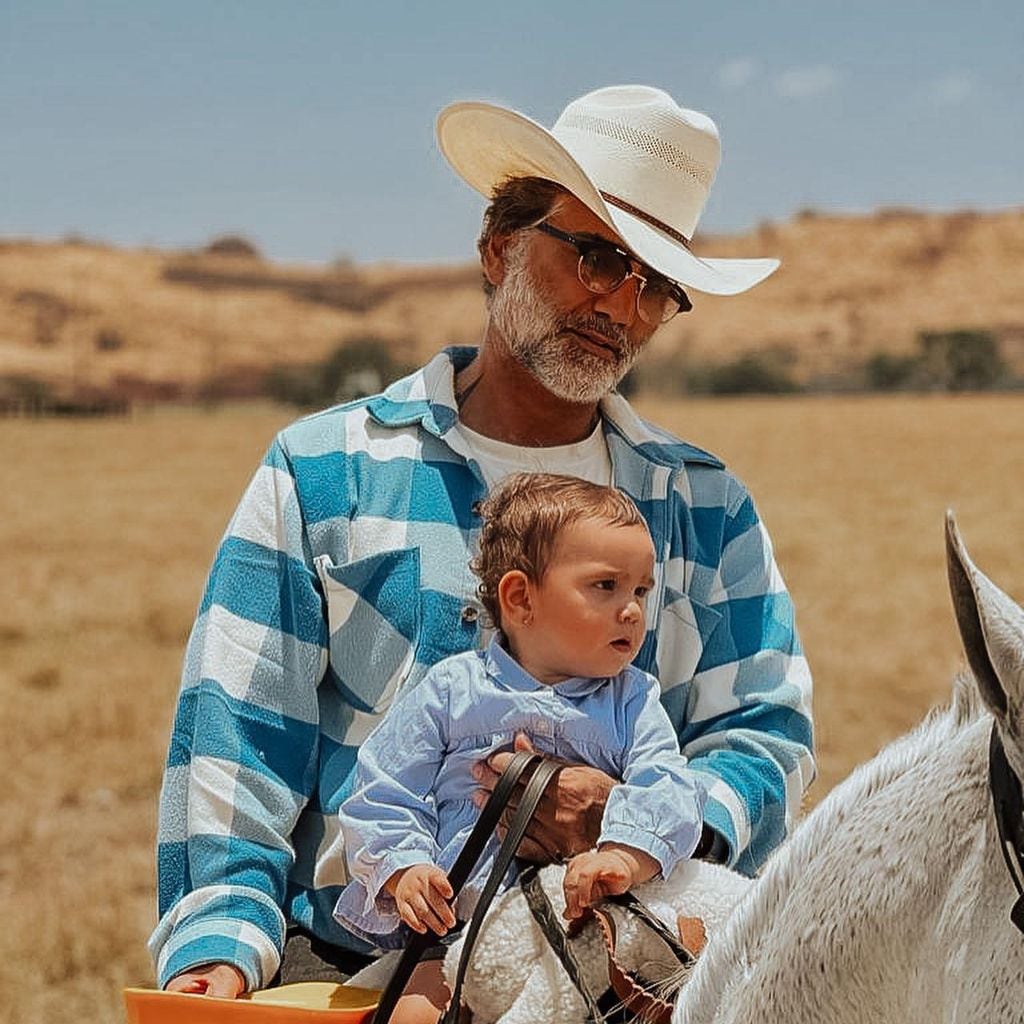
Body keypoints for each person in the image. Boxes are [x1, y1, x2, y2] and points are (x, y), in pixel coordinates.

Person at [151, 84, 814, 999]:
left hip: (621, 963)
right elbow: (237, 740)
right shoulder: (322, 471)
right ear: (500, 248)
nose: (620, 306)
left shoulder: (705, 504)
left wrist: (631, 828)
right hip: (356, 953)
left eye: (656, 286)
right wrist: (220, 949)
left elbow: (762, 732)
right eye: (595, 258)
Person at [334, 473, 706, 1022]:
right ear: (520, 597)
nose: (631, 610)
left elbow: (671, 790)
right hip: (457, 931)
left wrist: (622, 854)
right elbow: (383, 792)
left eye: (641, 591)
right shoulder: (452, 691)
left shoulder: (631, 701)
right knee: (411, 1015)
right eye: (606, 586)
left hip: (584, 927)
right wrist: (404, 869)